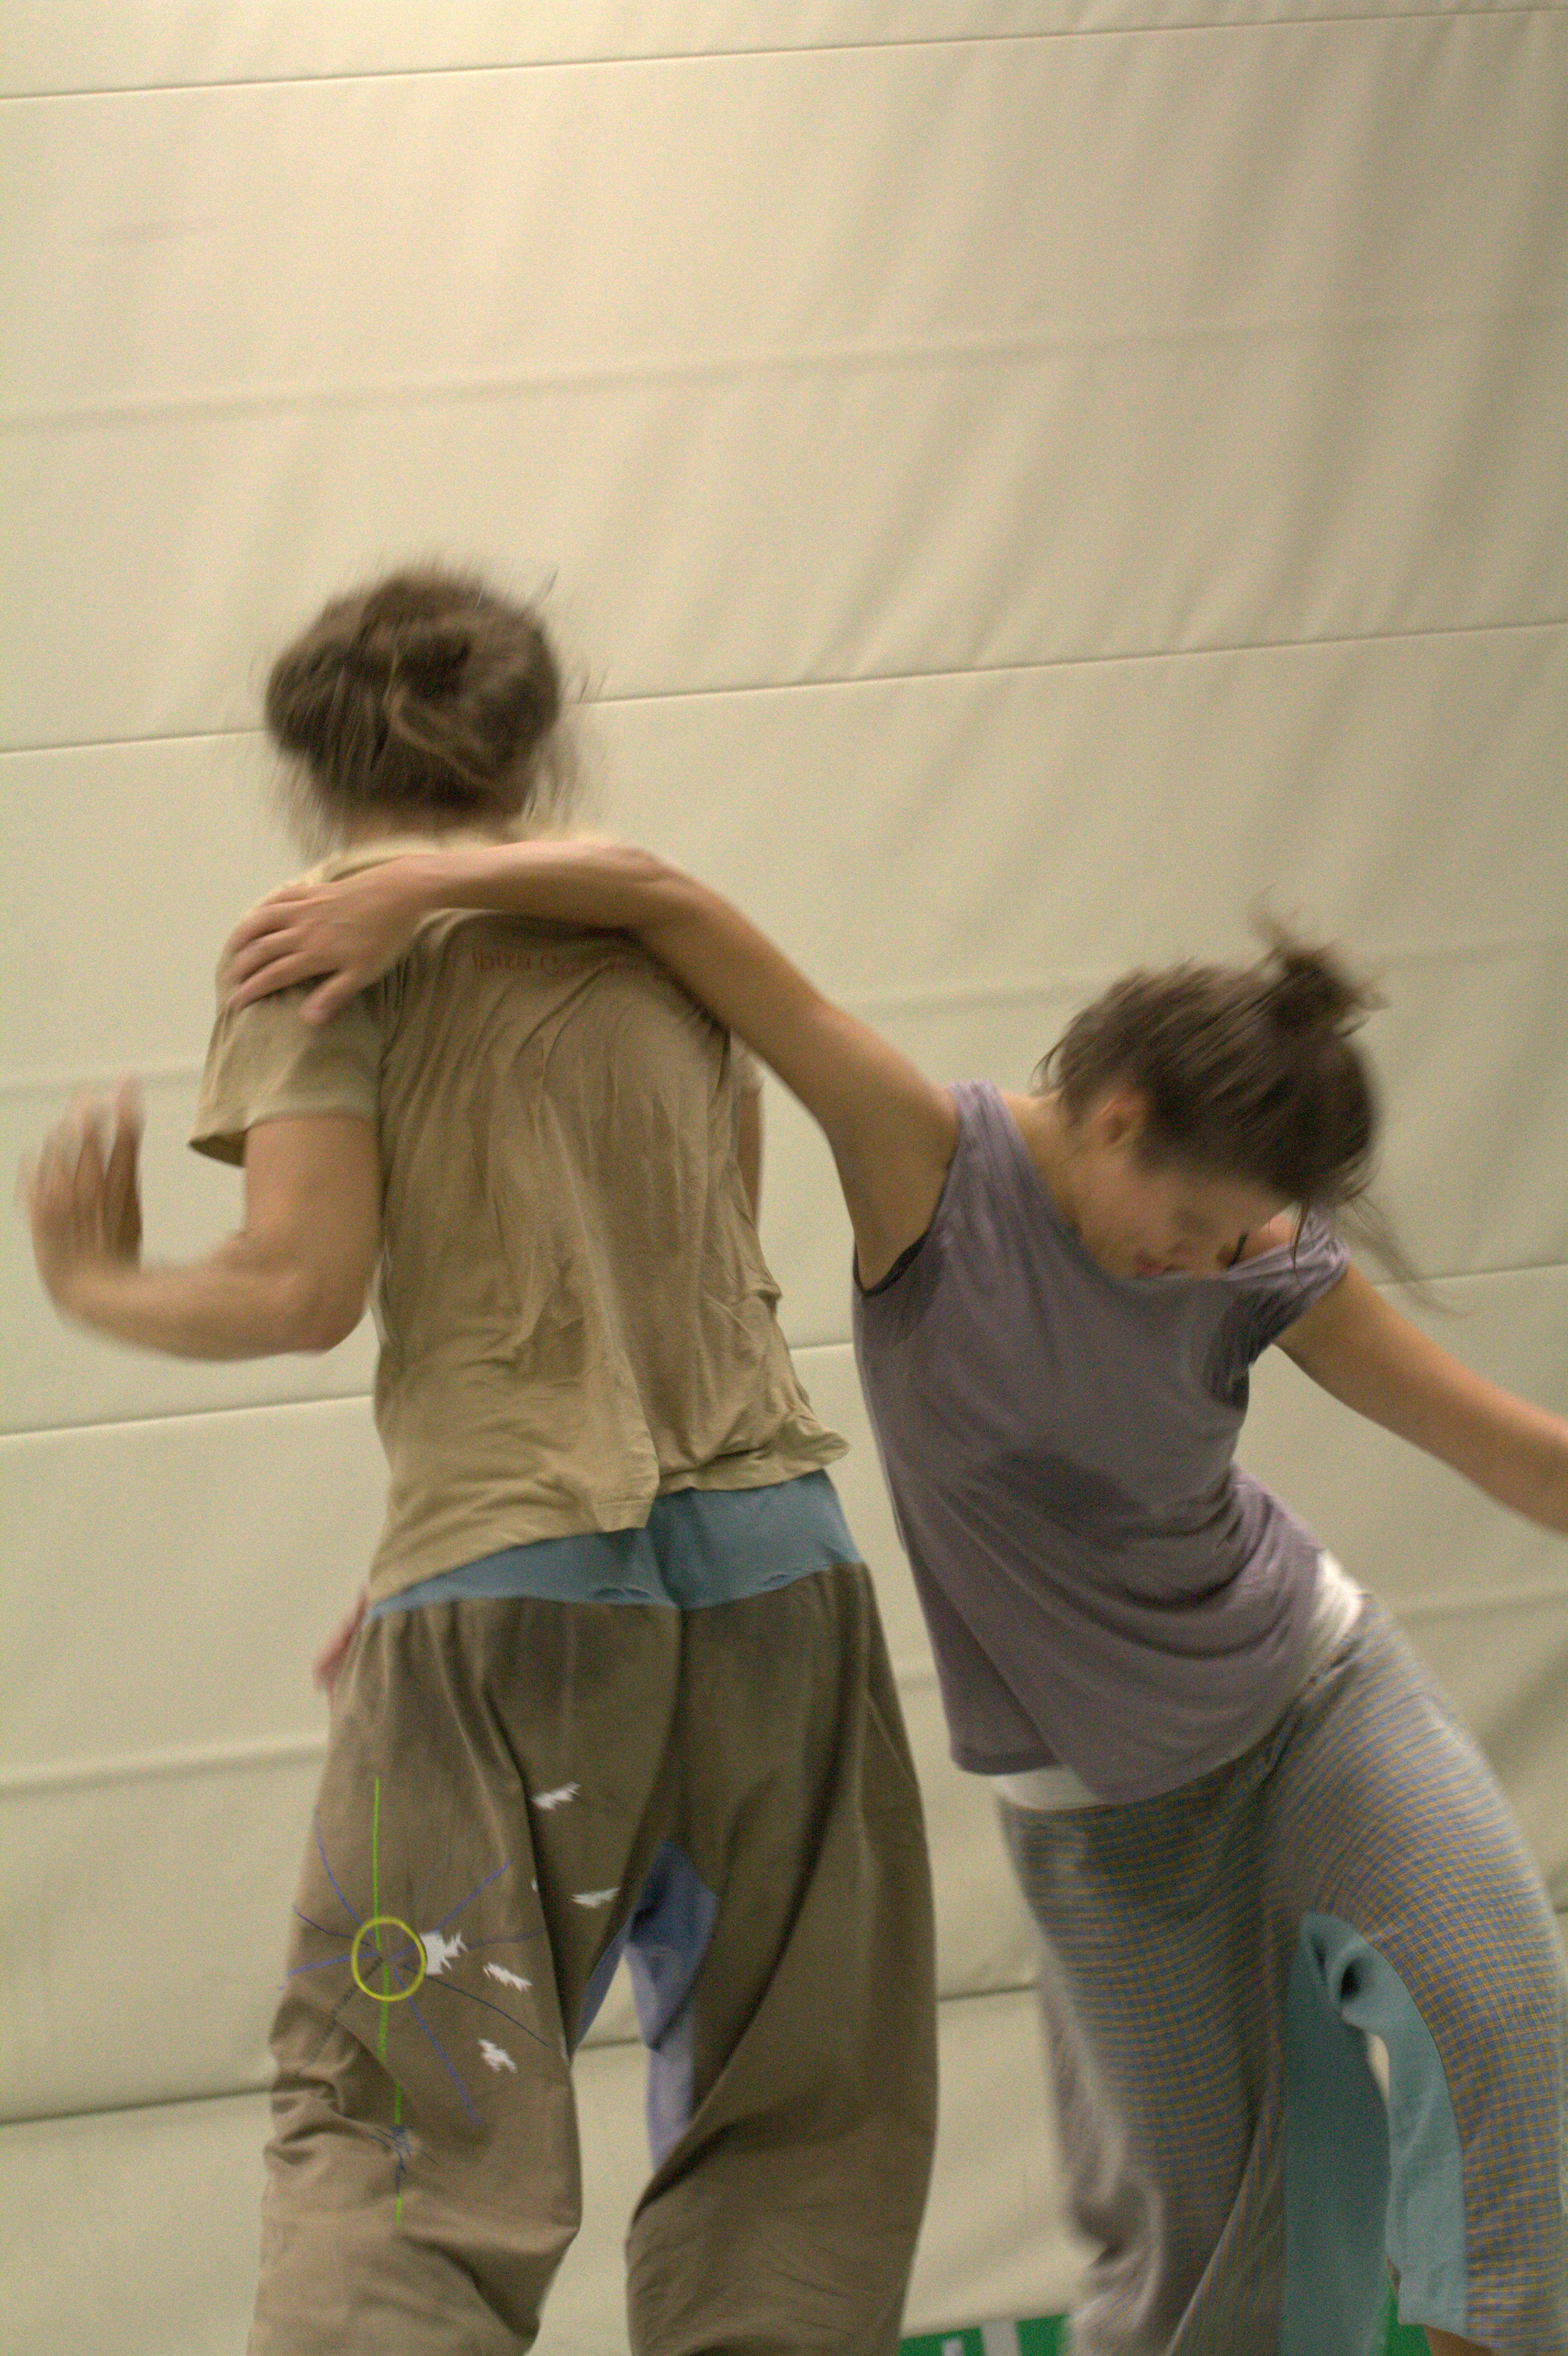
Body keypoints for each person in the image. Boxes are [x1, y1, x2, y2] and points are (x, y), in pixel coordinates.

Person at [221, 832, 1568, 2356]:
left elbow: (1514, 1455)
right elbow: (669, 904)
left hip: (1316, 1696)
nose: (1211, 1259)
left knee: (1499, 2010)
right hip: (1108, 1817)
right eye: (1193, 1223)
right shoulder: (927, 1161)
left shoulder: (1257, 1260)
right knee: (1218, 2266)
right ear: (1117, 1119)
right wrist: (417, 887)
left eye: (1239, 1234)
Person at [20, 570, 937, 2356]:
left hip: (511, 1615)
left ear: (309, 763)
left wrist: (96, 1281)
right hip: (783, 1581)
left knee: (406, 2127)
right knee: (802, 2119)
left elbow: (300, 1289)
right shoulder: (662, 936)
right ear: (537, 738)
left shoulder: (315, 942)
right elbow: (707, 1262)